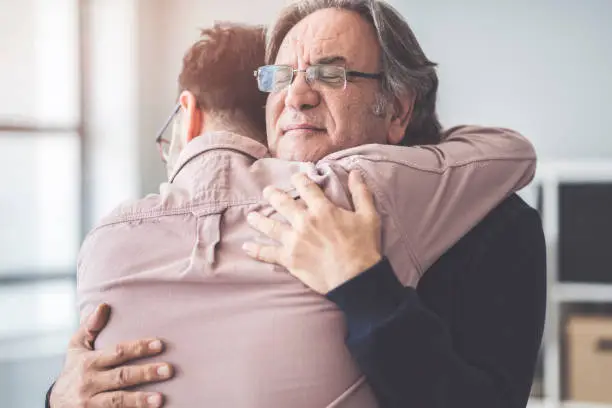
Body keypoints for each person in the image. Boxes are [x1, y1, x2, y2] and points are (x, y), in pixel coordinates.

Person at [47, 1, 546, 408]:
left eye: (331, 74)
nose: (298, 96)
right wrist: (60, 396)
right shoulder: (220, 218)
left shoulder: (494, 223)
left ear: (395, 109)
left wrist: (362, 285)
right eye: (281, 77)